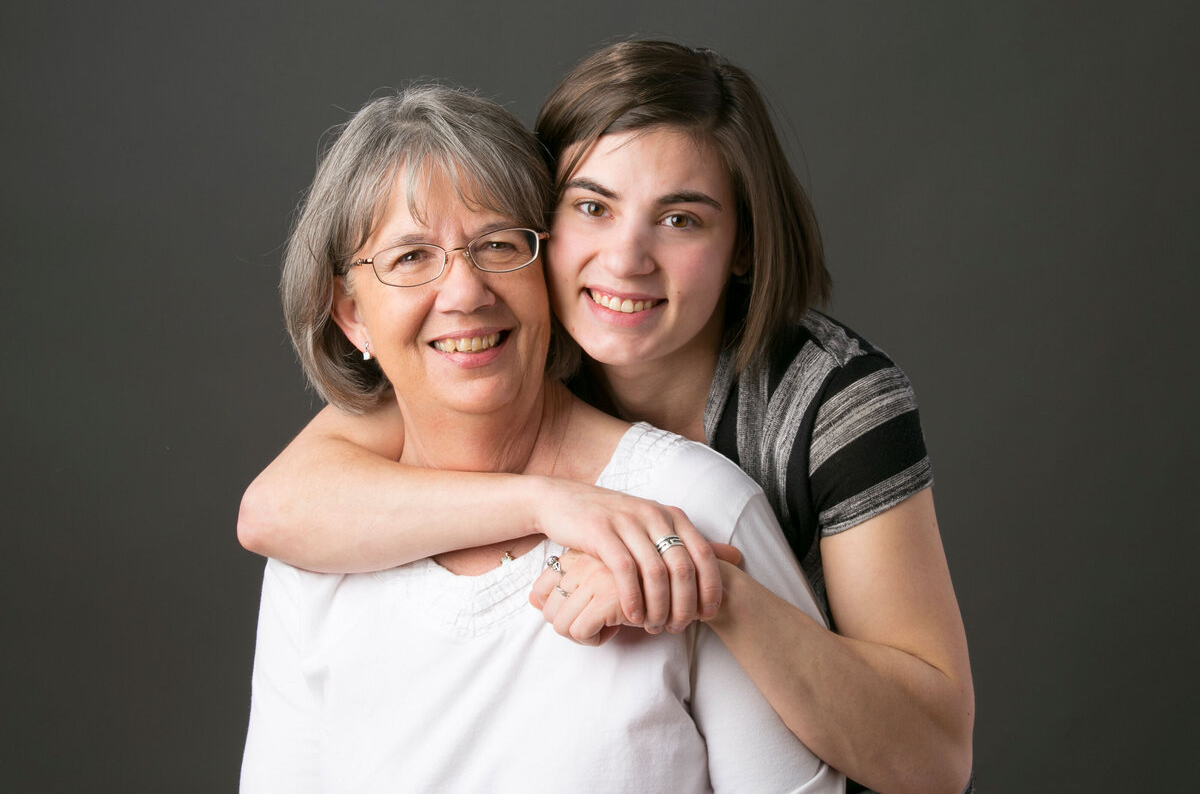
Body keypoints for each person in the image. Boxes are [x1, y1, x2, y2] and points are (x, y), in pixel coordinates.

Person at [239, 40, 974, 794]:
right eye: (592, 207)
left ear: (744, 245)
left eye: (681, 219)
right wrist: (555, 503)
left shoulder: (824, 408)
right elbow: (274, 510)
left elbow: (935, 758)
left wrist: (700, 585)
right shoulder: (498, 355)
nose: (625, 260)